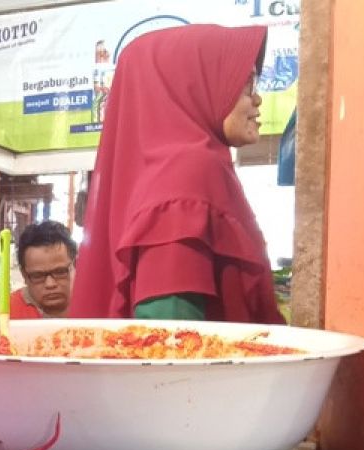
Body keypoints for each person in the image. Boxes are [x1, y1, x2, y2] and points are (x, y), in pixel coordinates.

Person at [68, 25, 286, 324]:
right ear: (194, 85)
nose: (257, 100)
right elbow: (169, 333)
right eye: (247, 84)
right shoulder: (185, 175)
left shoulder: (156, 174)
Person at [0, 220, 76, 319]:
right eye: (38, 276)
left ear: (75, 266)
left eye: (60, 272)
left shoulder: (95, 306)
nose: (50, 284)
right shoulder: (5, 317)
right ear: (24, 275)